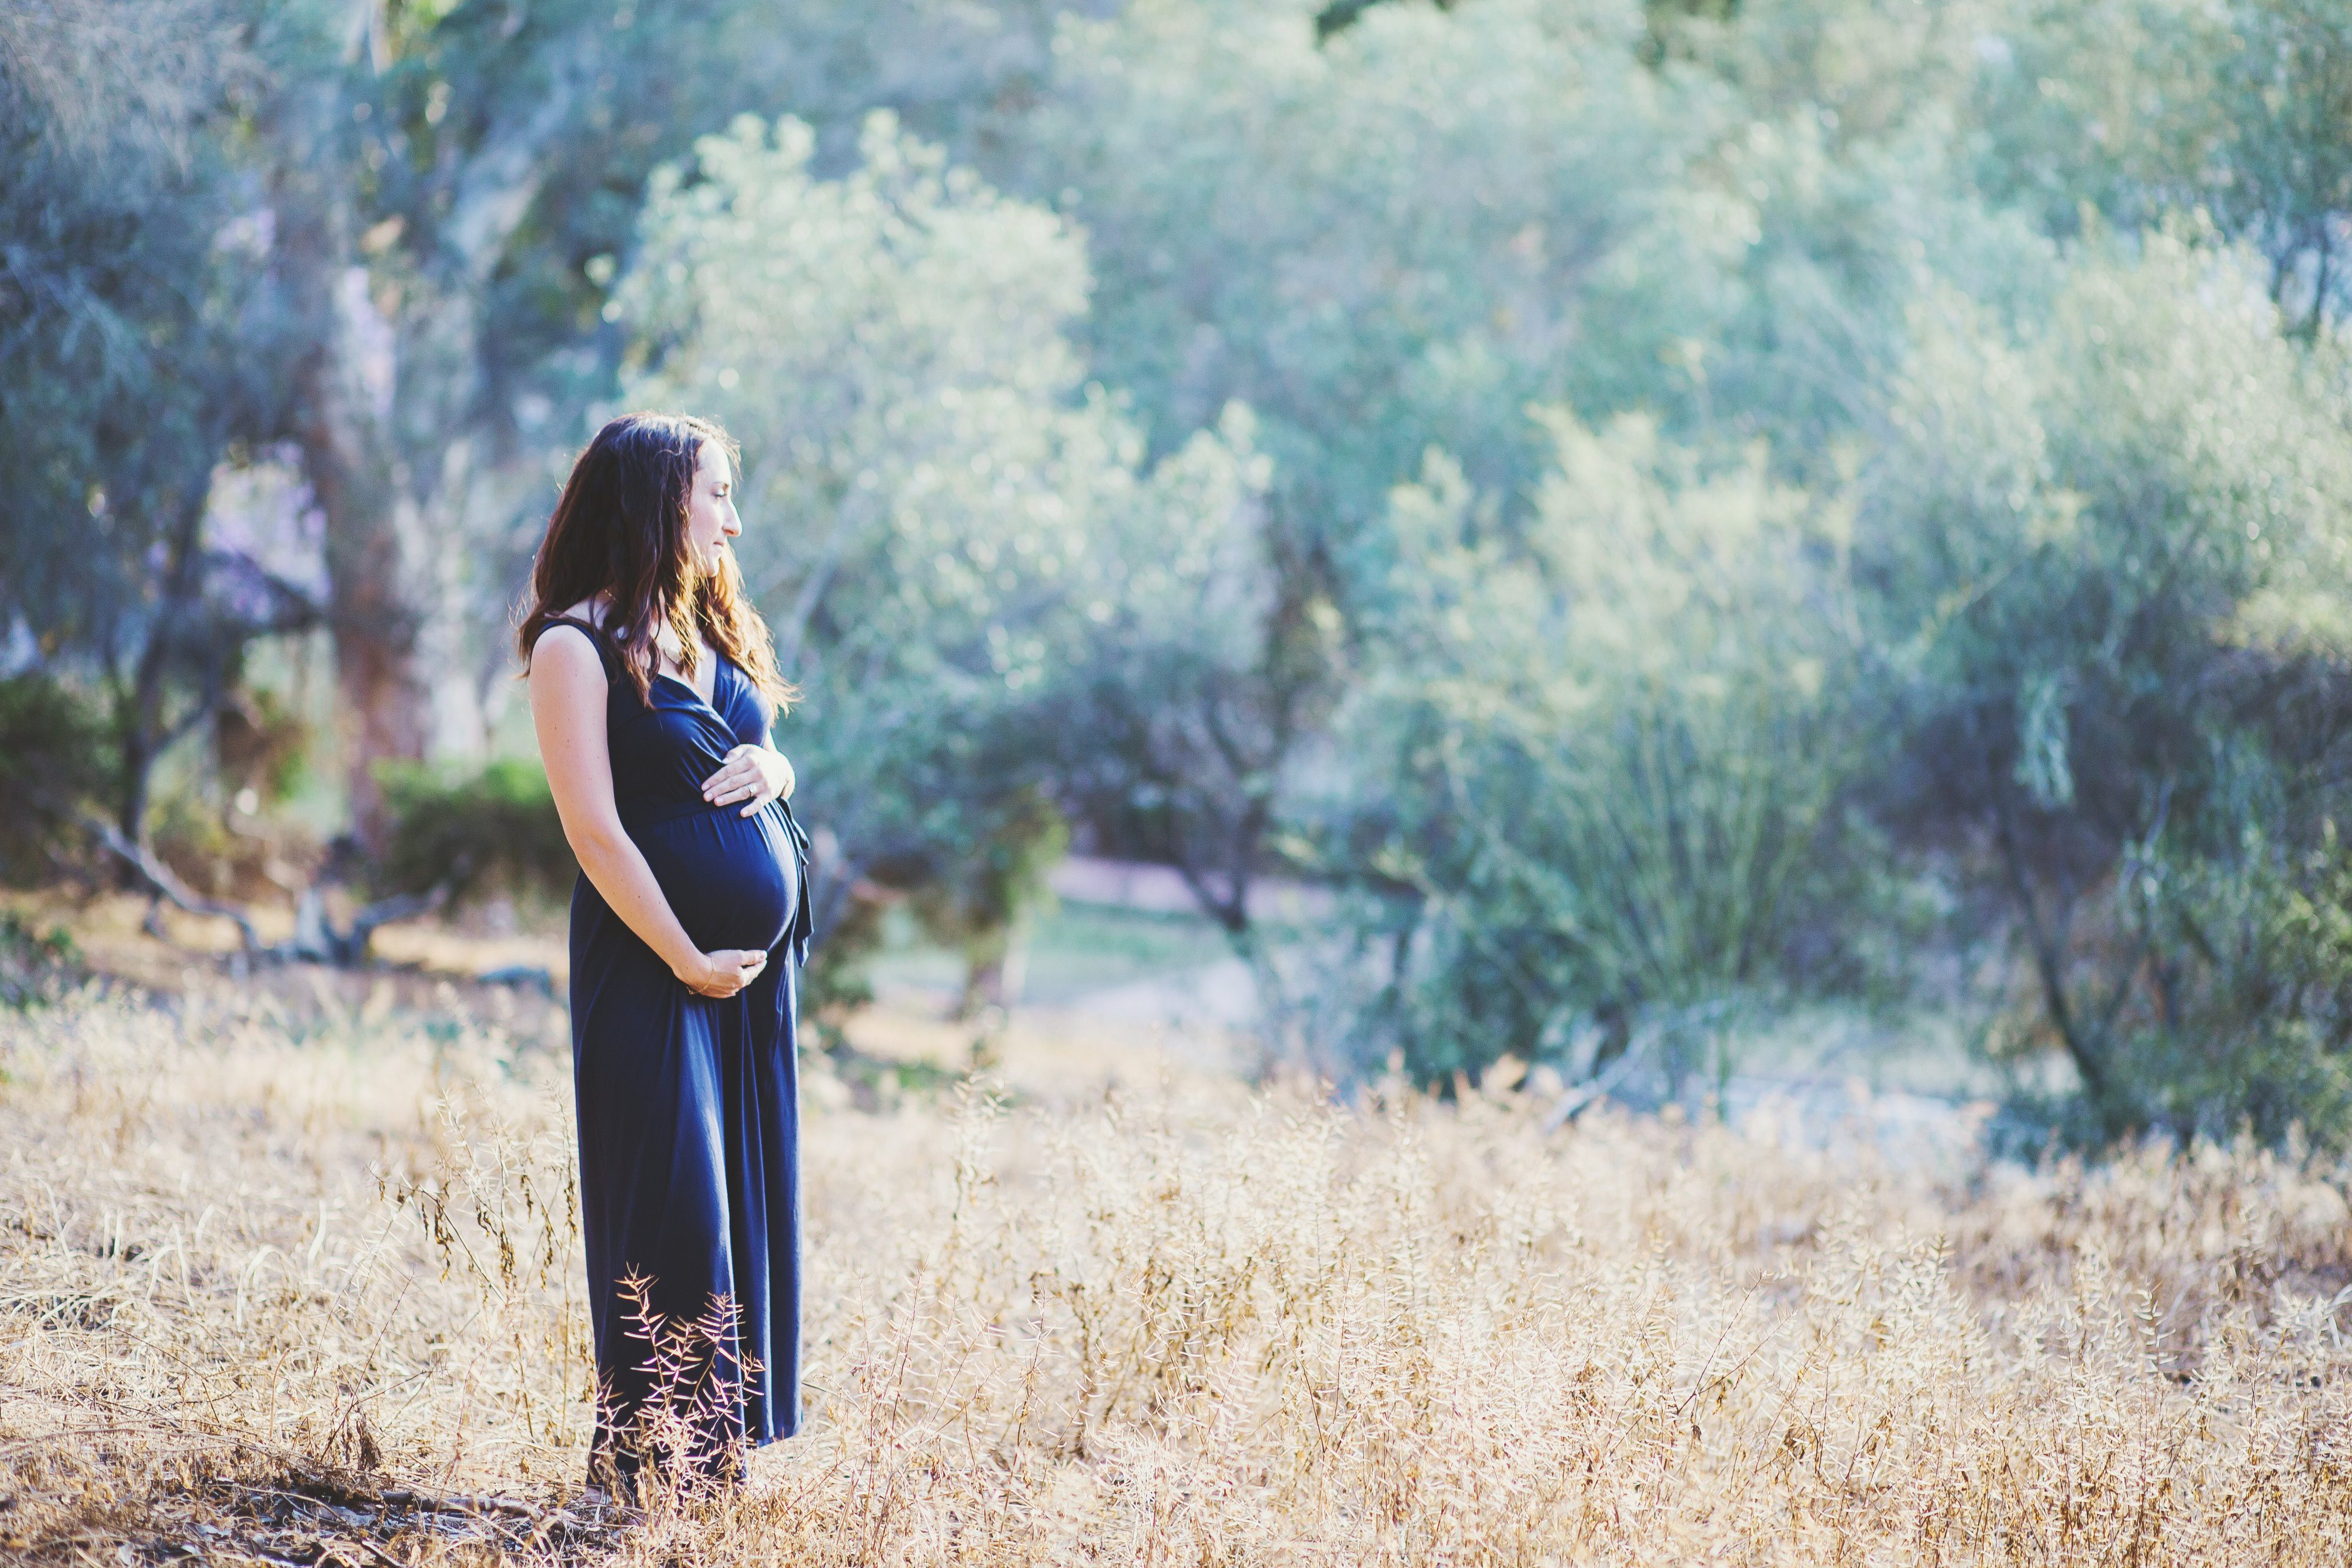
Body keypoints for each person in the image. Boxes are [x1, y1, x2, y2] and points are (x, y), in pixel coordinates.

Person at [516, 412, 814, 1494]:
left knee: (740, 1208)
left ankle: (716, 1477)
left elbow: (765, 756)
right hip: (651, 968)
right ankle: (651, 1469)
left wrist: (776, 781)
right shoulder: (571, 647)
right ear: (657, 505)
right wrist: (685, 952)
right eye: (717, 496)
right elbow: (593, 832)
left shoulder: (713, 632)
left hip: (740, 987)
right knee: (675, 1211)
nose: (734, 520)